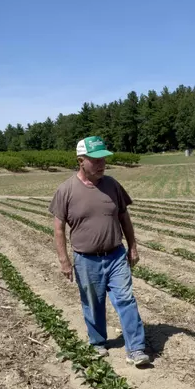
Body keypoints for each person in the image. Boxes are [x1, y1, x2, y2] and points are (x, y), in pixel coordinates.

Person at [48, 136, 150, 366]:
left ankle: (136, 348)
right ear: (80, 161)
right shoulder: (66, 190)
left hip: (115, 255)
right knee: (92, 303)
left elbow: (124, 217)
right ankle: (97, 342)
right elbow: (58, 229)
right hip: (86, 259)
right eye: (95, 159)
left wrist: (133, 246)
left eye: (103, 158)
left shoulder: (112, 184)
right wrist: (64, 261)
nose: (101, 163)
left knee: (125, 299)